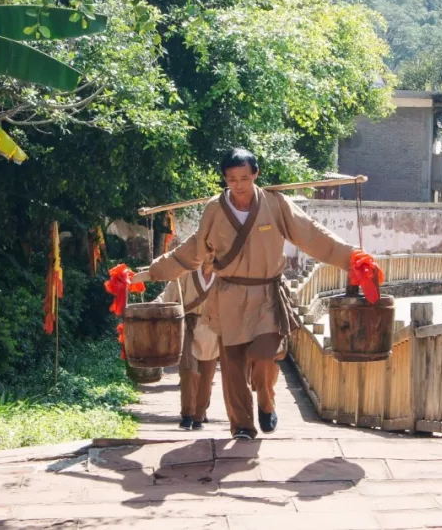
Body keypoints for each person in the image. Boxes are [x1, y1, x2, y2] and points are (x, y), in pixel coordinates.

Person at [132, 148, 365, 440]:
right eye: (232, 179)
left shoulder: (275, 204)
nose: (239, 185)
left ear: (256, 174)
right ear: (224, 179)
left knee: (265, 355)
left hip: (267, 294)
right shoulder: (215, 210)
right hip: (229, 296)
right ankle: (242, 426)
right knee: (233, 366)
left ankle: (266, 401)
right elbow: (193, 250)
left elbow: (311, 234)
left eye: (244, 177)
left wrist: (352, 258)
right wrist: (152, 272)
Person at [153, 259, 219, 430]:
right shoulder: (187, 273)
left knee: (207, 376)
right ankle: (188, 414)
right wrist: (155, 305)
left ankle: (199, 414)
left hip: (212, 331)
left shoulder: (223, 276)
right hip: (188, 327)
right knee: (188, 370)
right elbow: (168, 294)